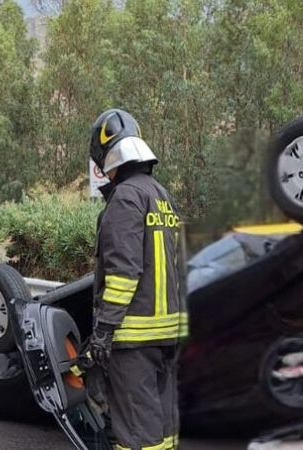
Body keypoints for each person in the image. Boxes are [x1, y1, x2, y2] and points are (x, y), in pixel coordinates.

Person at [86, 108, 186, 450]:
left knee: (135, 433)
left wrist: (104, 331)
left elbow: (124, 274)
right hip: (168, 334)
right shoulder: (161, 195)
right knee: (163, 427)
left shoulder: (125, 199)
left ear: (107, 157)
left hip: (134, 338)